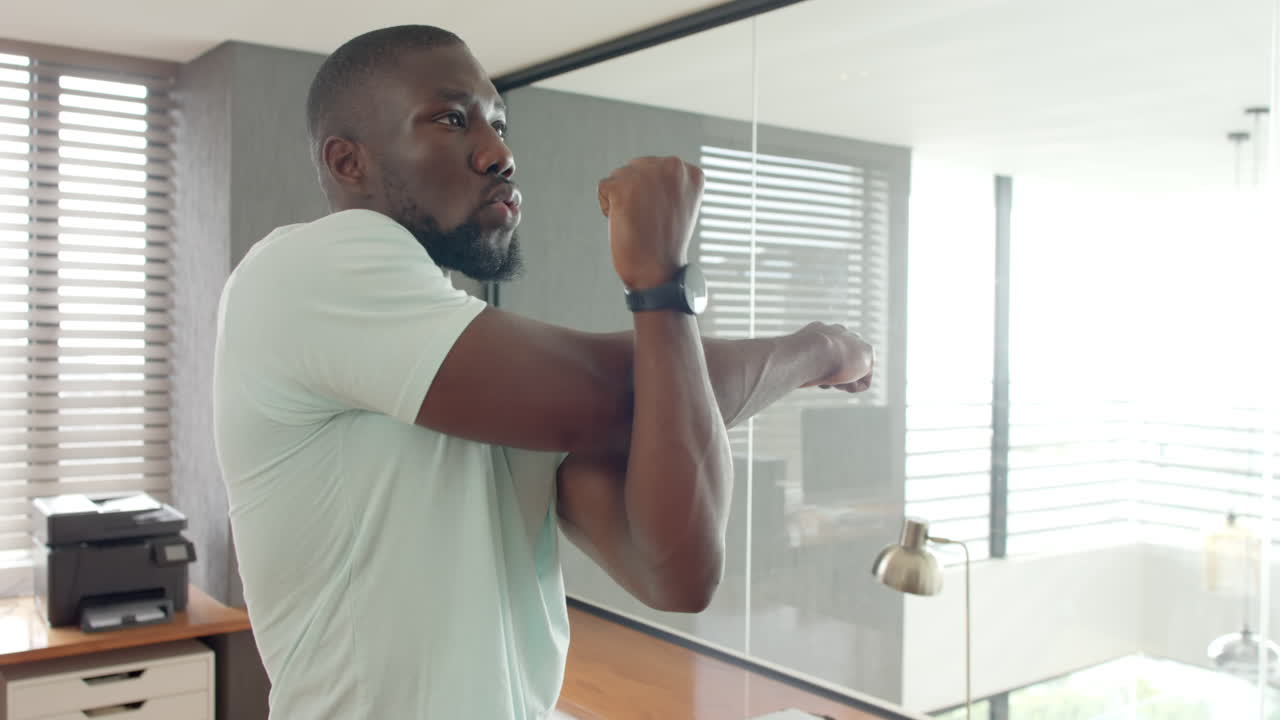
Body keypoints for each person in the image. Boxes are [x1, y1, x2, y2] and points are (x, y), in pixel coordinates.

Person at [213, 24, 875, 720]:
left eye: (499, 123)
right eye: (451, 118)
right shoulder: (304, 270)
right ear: (348, 162)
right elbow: (626, 391)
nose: (499, 152)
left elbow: (675, 569)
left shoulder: (474, 359)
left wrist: (669, 305)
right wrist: (810, 345)